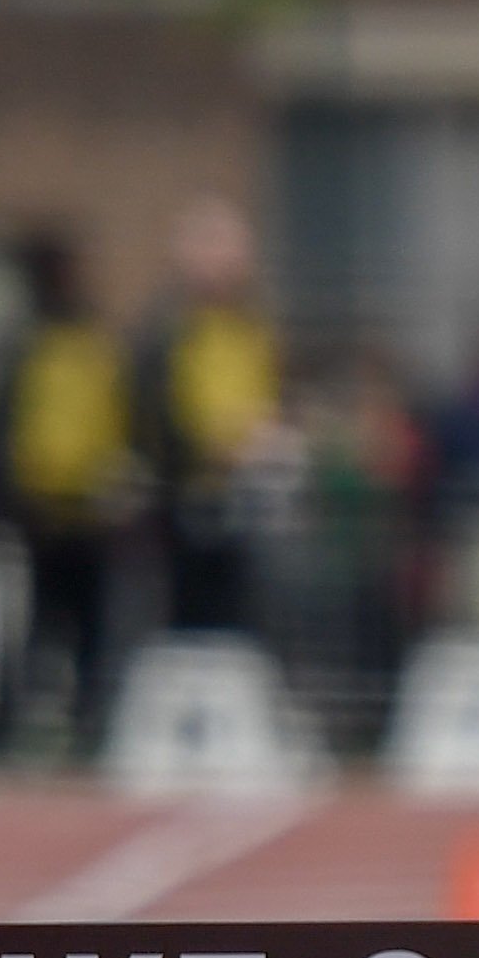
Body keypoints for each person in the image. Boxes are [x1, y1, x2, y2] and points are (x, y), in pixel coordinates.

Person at [0, 228, 137, 760]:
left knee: (89, 627)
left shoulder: (94, 343)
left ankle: (87, 726)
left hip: (88, 511)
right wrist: (7, 495)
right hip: (37, 512)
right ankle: (13, 725)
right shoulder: (27, 343)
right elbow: (3, 424)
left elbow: (114, 416)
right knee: (30, 628)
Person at [133, 193, 285, 636]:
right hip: (184, 497)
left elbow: (266, 397)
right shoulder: (169, 331)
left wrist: (260, 443)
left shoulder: (251, 329)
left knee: (240, 612)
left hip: (244, 497)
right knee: (186, 613)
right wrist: (205, 453)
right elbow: (154, 411)